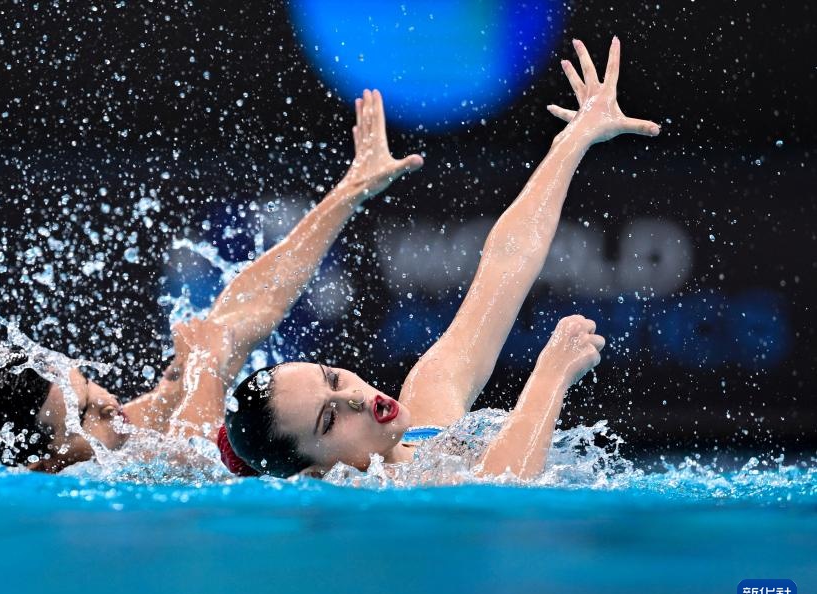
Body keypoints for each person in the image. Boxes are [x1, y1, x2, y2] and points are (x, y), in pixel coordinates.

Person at [223, 37, 660, 481]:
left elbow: (503, 266)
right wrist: (548, 379)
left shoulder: (430, 416)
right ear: (313, 473)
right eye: (329, 419)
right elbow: (501, 502)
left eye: (334, 380)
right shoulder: (385, 505)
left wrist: (576, 138)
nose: (353, 398)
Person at [0, 90, 424, 473]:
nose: (108, 403)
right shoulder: (98, 483)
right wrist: (207, 371)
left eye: (91, 388)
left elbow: (243, 314)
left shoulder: (138, 421)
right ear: (41, 462)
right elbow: (199, 469)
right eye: (83, 416)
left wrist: (350, 192)